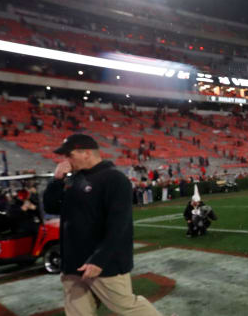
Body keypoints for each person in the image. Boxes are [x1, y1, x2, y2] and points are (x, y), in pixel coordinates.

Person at [43, 134, 163, 316]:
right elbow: (51, 206)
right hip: (73, 263)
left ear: (86, 153)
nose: (65, 160)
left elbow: (119, 224)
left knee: (126, 306)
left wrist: (100, 259)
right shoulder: (72, 179)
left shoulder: (115, 179)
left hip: (103, 265)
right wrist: (56, 180)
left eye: (69, 155)